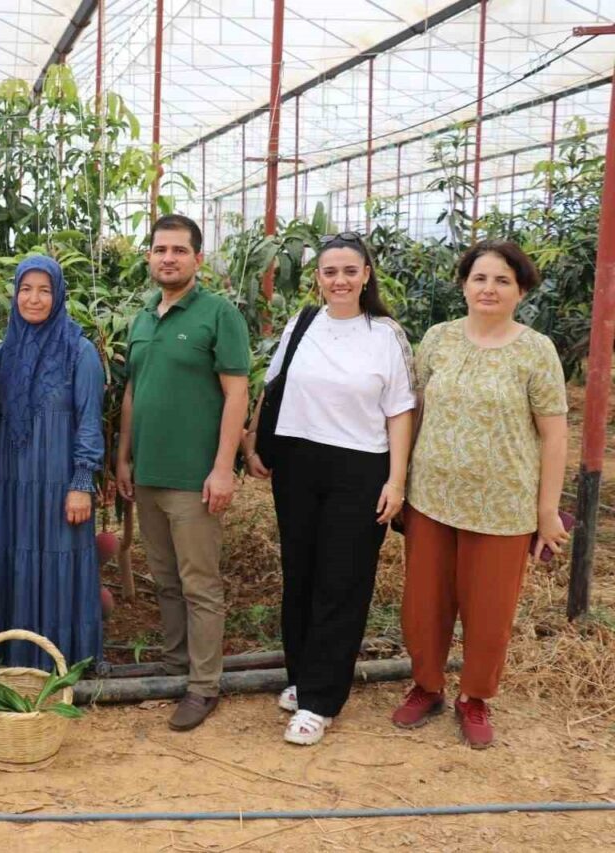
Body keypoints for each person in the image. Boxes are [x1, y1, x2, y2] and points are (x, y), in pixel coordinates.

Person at [392, 240, 569, 748]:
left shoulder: (535, 350)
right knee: (424, 603)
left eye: (502, 281)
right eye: (480, 278)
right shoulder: (439, 339)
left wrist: (546, 510)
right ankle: (426, 686)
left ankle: (475, 697)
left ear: (521, 290)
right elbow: (416, 410)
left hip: (503, 504)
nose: (489, 289)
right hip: (433, 497)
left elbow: (554, 435)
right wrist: (400, 480)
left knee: (489, 610)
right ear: (464, 285)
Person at [242, 232, 415, 746]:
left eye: (349, 271)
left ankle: (322, 700)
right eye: (329, 271)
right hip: (297, 463)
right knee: (300, 575)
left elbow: (401, 412)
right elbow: (272, 390)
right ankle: (302, 676)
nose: (339, 280)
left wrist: (397, 480)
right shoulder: (302, 325)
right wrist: (253, 442)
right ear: (317, 278)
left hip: (359, 467)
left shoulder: (385, 335)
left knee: (343, 580)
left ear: (366, 276)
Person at [115, 214, 250, 732]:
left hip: (195, 477)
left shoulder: (219, 315)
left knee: (200, 584)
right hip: (148, 473)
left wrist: (222, 468)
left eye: (178, 249)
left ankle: (203, 685)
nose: (167, 257)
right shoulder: (144, 317)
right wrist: (124, 456)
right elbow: (132, 392)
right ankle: (175, 664)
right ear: (149, 257)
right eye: (159, 249)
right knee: (166, 580)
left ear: (197, 259)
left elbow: (237, 393)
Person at [0, 255, 105, 669]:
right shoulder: (4, 355)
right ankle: (13, 659)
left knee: (57, 561)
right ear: (15, 295)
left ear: (59, 294)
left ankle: (61, 662)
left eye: (44, 290)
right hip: (8, 481)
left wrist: (81, 481)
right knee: (12, 558)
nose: (34, 299)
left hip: (57, 481)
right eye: (25, 289)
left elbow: (89, 421)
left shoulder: (78, 352)